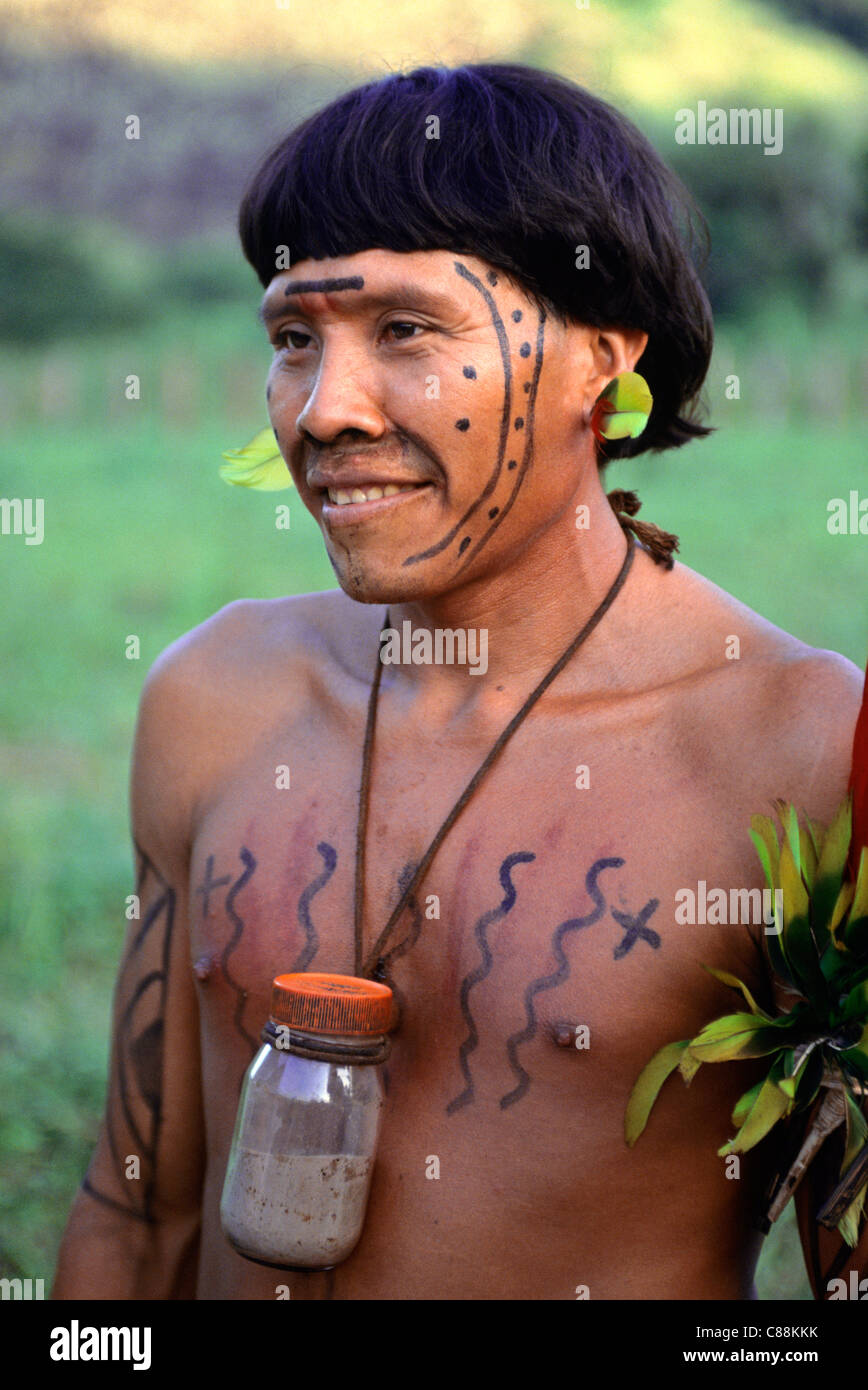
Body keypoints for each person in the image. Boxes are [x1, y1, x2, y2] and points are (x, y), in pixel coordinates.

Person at [53, 62, 863, 1300]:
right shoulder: (214, 698)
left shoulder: (800, 753)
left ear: (603, 356)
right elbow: (133, 1212)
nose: (323, 412)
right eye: (291, 339)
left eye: (406, 330)